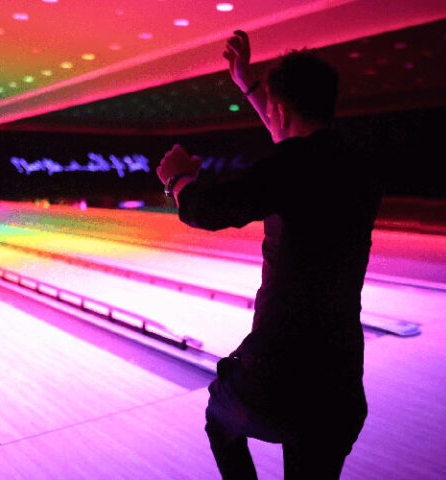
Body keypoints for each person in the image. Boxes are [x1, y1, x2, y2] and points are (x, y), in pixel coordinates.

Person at [156, 30, 381, 479]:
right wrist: (250, 86)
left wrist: (176, 180)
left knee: (219, 420)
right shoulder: (357, 162)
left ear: (280, 109)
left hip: (276, 378)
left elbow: (208, 210)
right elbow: (292, 141)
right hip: (338, 384)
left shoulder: (292, 165)